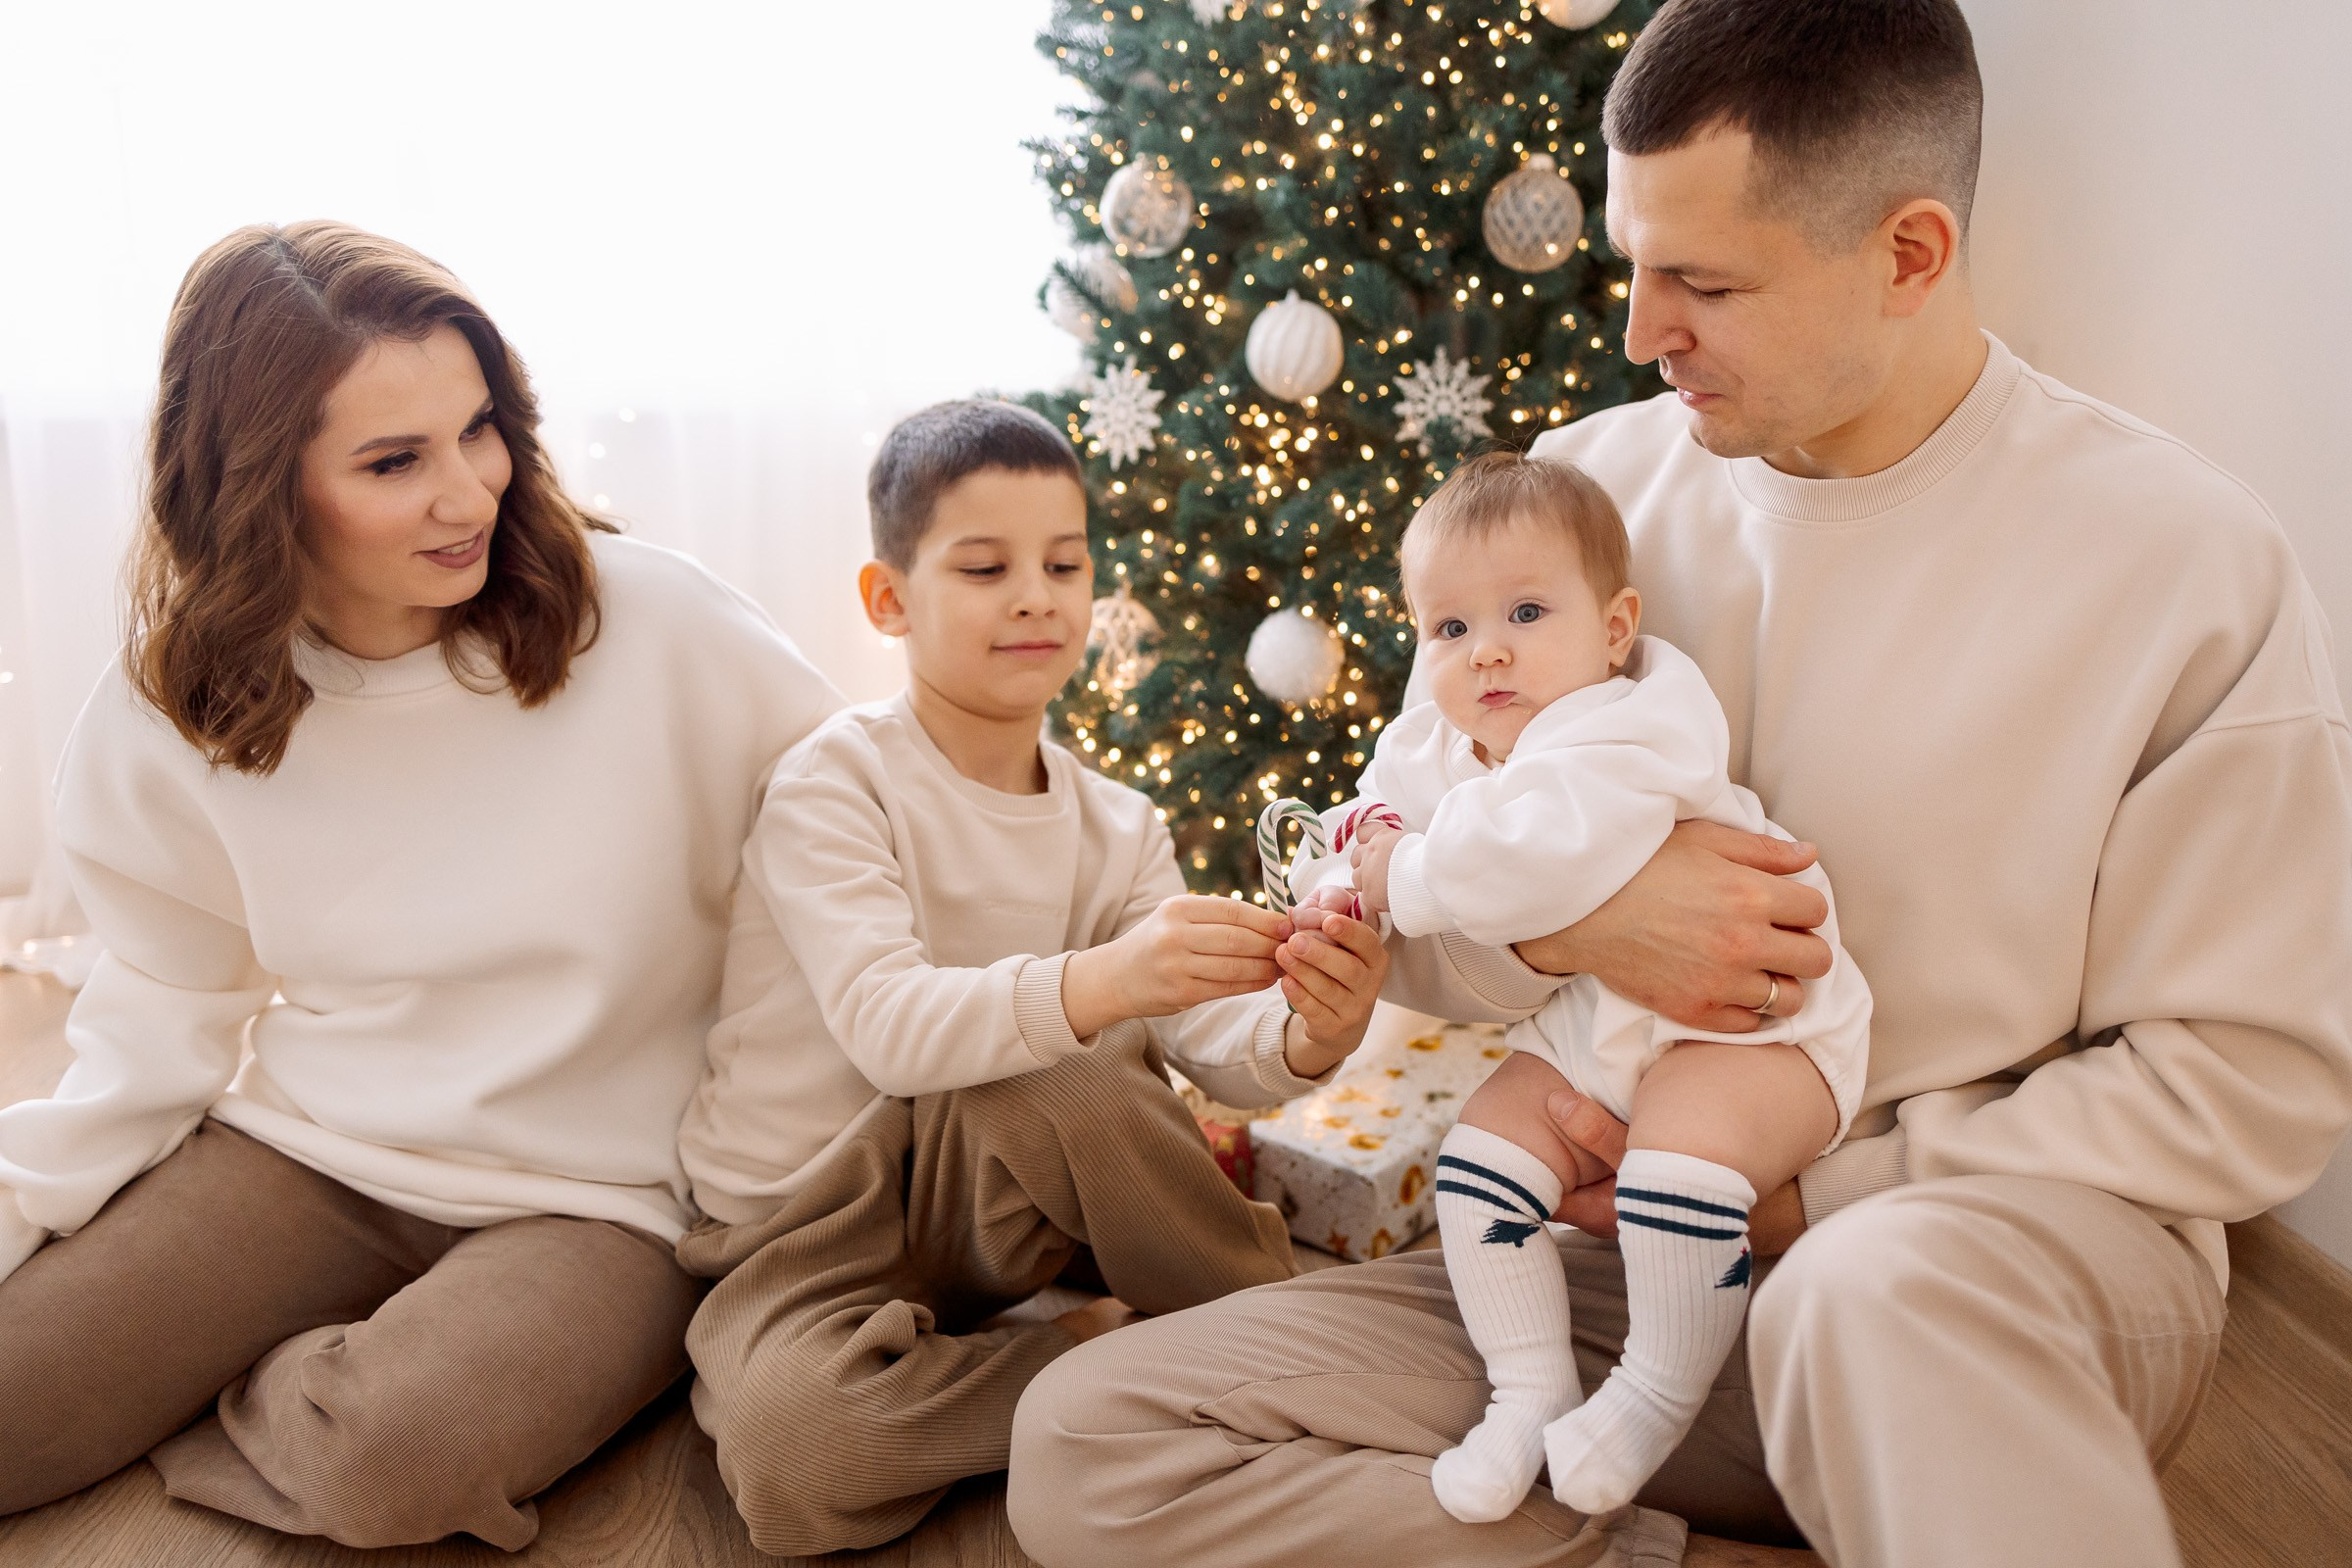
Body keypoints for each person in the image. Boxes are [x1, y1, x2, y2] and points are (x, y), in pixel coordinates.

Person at [1005, 2, 2352, 1564]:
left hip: (1988, 1253)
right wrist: (1584, 931)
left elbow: (2246, 1086)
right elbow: (1389, 895)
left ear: (1910, 256)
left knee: (1871, 1298)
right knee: (1093, 1442)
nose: (1642, 328)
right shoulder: (1583, 510)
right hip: (1629, 1250)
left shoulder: (2183, 563)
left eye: (1705, 282)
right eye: (1639, 263)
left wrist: (1827, 1196)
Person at [0, 221, 844, 1548]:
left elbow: (853, 868)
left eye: (480, 429)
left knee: (390, 1464)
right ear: (259, 487)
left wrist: (751, 1178)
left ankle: (323, 1385)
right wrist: (24, 1215)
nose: (471, 493)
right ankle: (293, 1373)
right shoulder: (177, 705)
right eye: (395, 462)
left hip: (597, 1201)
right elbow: (158, 1016)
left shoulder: (659, 625)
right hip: (311, 1155)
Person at [670, 399, 1392, 1557]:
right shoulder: (834, 782)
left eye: (1063, 563)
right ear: (889, 599)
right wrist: (1110, 977)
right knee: (797, 1461)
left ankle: (1271, 1325)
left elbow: (1210, 1042)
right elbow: (887, 1028)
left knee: (1083, 1072)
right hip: (795, 1225)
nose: (1035, 596)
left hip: (980, 1208)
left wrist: (1311, 1031)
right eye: (986, 566)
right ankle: (1095, 1358)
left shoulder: (1117, 822)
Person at [1285, 450, 1870, 1521]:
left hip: (1753, 1031)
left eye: (1524, 611)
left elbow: (1530, 860)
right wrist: (1345, 865)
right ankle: (1527, 1387)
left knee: (1677, 1172)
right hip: (1597, 1024)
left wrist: (1401, 875)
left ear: (1612, 626)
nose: (1488, 649)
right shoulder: (1453, 737)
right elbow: (1365, 814)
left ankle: (1652, 1392)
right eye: (1450, 629)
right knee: (1479, 1168)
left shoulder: (1628, 722)